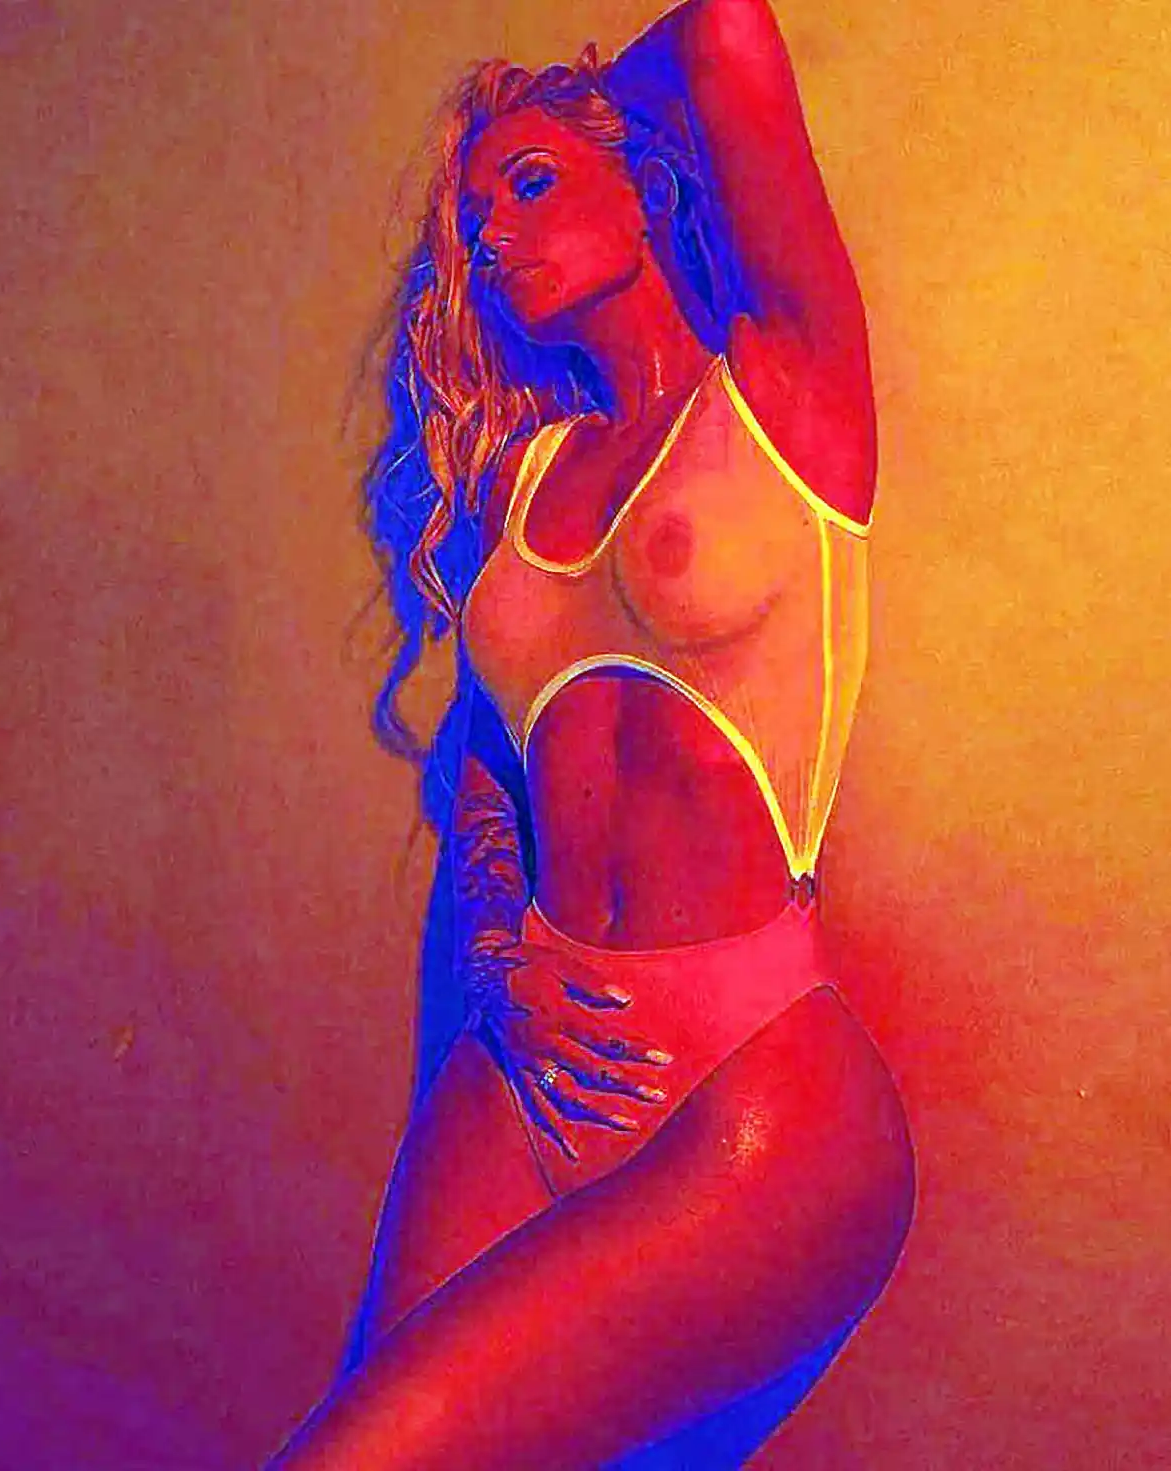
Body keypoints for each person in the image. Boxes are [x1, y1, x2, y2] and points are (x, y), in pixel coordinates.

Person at [271, 1, 914, 1464]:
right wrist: (500, 952)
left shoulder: (786, 394)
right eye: (474, 217)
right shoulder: (526, 474)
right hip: (526, 1068)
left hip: (752, 1087)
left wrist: (583, 105)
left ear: (645, 183)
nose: (493, 232)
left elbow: (728, 33)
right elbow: (490, 767)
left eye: (532, 184)